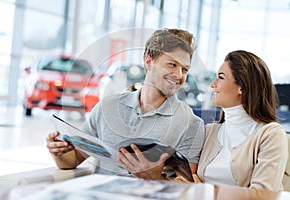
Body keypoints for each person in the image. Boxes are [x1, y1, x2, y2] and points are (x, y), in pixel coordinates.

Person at [118, 50, 288, 191]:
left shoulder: (270, 134)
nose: (212, 84)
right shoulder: (209, 131)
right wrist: (156, 176)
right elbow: (189, 181)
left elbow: (261, 195)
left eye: (220, 77)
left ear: (242, 87)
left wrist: (203, 189)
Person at [46, 28, 205, 176]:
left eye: (184, 69)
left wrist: (155, 178)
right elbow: (72, 160)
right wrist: (59, 152)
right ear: (149, 62)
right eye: (172, 64)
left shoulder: (191, 124)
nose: (178, 74)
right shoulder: (107, 107)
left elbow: (187, 185)